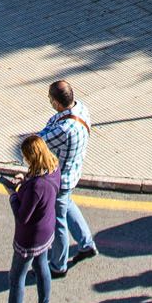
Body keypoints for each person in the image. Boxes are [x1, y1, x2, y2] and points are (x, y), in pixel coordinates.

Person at [0, 134, 60, 303]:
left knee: (16, 277)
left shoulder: (36, 186)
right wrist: (24, 180)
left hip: (29, 238)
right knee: (42, 266)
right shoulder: (54, 167)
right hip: (46, 230)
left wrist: (12, 193)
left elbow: (22, 216)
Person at [40, 80, 96, 276]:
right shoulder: (82, 109)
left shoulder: (64, 129)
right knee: (68, 206)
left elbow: (40, 143)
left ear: (56, 103)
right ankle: (86, 243)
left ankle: (58, 265)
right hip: (73, 172)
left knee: (57, 222)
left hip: (59, 180)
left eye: (50, 99)